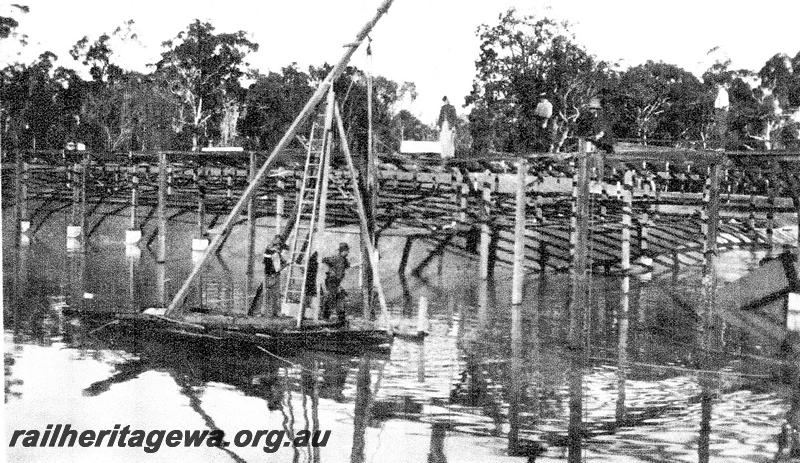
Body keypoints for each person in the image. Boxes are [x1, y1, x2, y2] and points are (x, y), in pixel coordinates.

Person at [321, 243, 352, 322]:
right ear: (343, 251)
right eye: (347, 251)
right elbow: (324, 260)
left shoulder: (344, 259)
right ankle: (326, 316)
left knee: (339, 298)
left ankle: (340, 318)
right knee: (331, 298)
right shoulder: (335, 258)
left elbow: (348, 265)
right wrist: (330, 270)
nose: (348, 253)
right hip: (332, 281)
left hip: (337, 282)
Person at [261, 236, 287, 316]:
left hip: (266, 275)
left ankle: (264, 313)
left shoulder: (267, 251)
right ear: (278, 245)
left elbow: (264, 263)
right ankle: (274, 314)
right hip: (274, 276)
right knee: (275, 296)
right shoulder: (276, 253)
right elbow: (278, 269)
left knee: (266, 295)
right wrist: (286, 264)